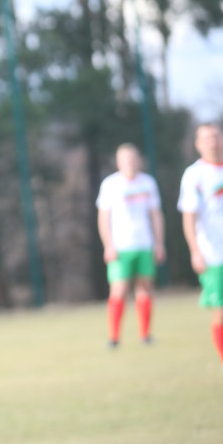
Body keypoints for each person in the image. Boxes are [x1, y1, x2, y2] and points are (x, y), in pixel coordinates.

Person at [178, 122, 223, 383]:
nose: (212, 141)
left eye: (216, 136)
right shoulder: (194, 175)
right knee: (221, 310)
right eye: (207, 138)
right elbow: (189, 217)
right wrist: (195, 251)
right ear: (198, 144)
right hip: (215, 255)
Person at [95, 143, 165, 347]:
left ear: (139, 160)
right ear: (118, 162)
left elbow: (155, 214)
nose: (130, 162)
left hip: (144, 244)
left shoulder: (148, 183)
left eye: (133, 158)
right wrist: (108, 244)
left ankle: (145, 335)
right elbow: (103, 218)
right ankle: (114, 337)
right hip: (121, 247)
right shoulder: (110, 184)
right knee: (118, 290)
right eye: (125, 159)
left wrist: (159, 242)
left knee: (145, 288)